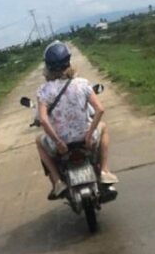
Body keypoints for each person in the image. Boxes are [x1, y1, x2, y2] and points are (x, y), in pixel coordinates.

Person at [35, 41, 118, 199]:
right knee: (104, 127)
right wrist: (89, 134)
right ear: (68, 62)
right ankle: (104, 171)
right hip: (85, 139)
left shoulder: (43, 91)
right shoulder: (82, 84)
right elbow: (100, 109)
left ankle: (57, 181)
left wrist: (58, 142)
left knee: (39, 141)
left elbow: (44, 121)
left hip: (61, 145)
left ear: (48, 67)